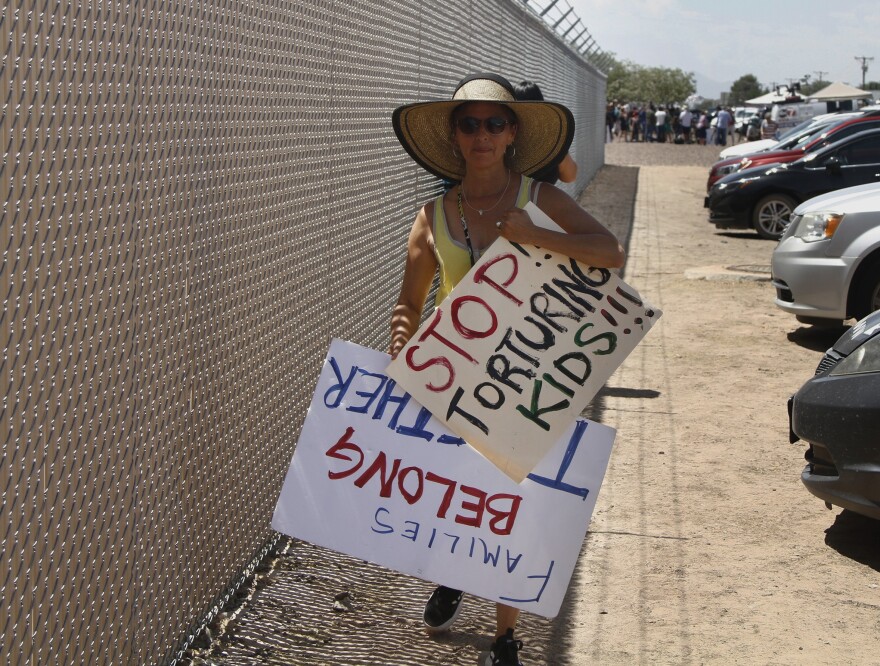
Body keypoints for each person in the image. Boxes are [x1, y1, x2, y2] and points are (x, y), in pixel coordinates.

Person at [390, 72, 625, 666]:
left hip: (523, 371)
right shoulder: (432, 213)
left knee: (508, 503)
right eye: (469, 124)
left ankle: (504, 638)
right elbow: (409, 302)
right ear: (455, 135)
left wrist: (536, 238)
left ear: (513, 132)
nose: (481, 135)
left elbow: (609, 252)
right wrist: (401, 334)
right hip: (448, 377)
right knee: (456, 496)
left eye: (494, 123)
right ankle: (452, 576)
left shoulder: (538, 199)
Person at [512, 80, 578, 184]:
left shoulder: (551, 140)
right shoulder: (505, 139)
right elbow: (570, 176)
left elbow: (570, 176)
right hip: (539, 199)